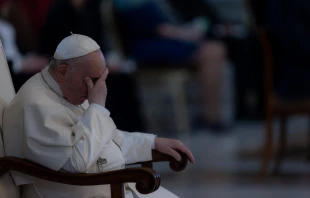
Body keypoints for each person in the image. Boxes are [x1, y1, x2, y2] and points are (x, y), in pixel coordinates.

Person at [2, 34, 195, 198]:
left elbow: (105, 140)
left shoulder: (66, 87)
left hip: (111, 186)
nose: (96, 89)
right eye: (93, 81)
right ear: (62, 71)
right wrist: (96, 107)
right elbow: (77, 163)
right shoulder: (34, 104)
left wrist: (152, 143)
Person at [113, 0, 228, 129]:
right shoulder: (129, 3)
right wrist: (186, 34)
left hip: (160, 41)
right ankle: (211, 117)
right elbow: (156, 27)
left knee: (214, 49)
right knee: (213, 51)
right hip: (147, 46)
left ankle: (211, 116)